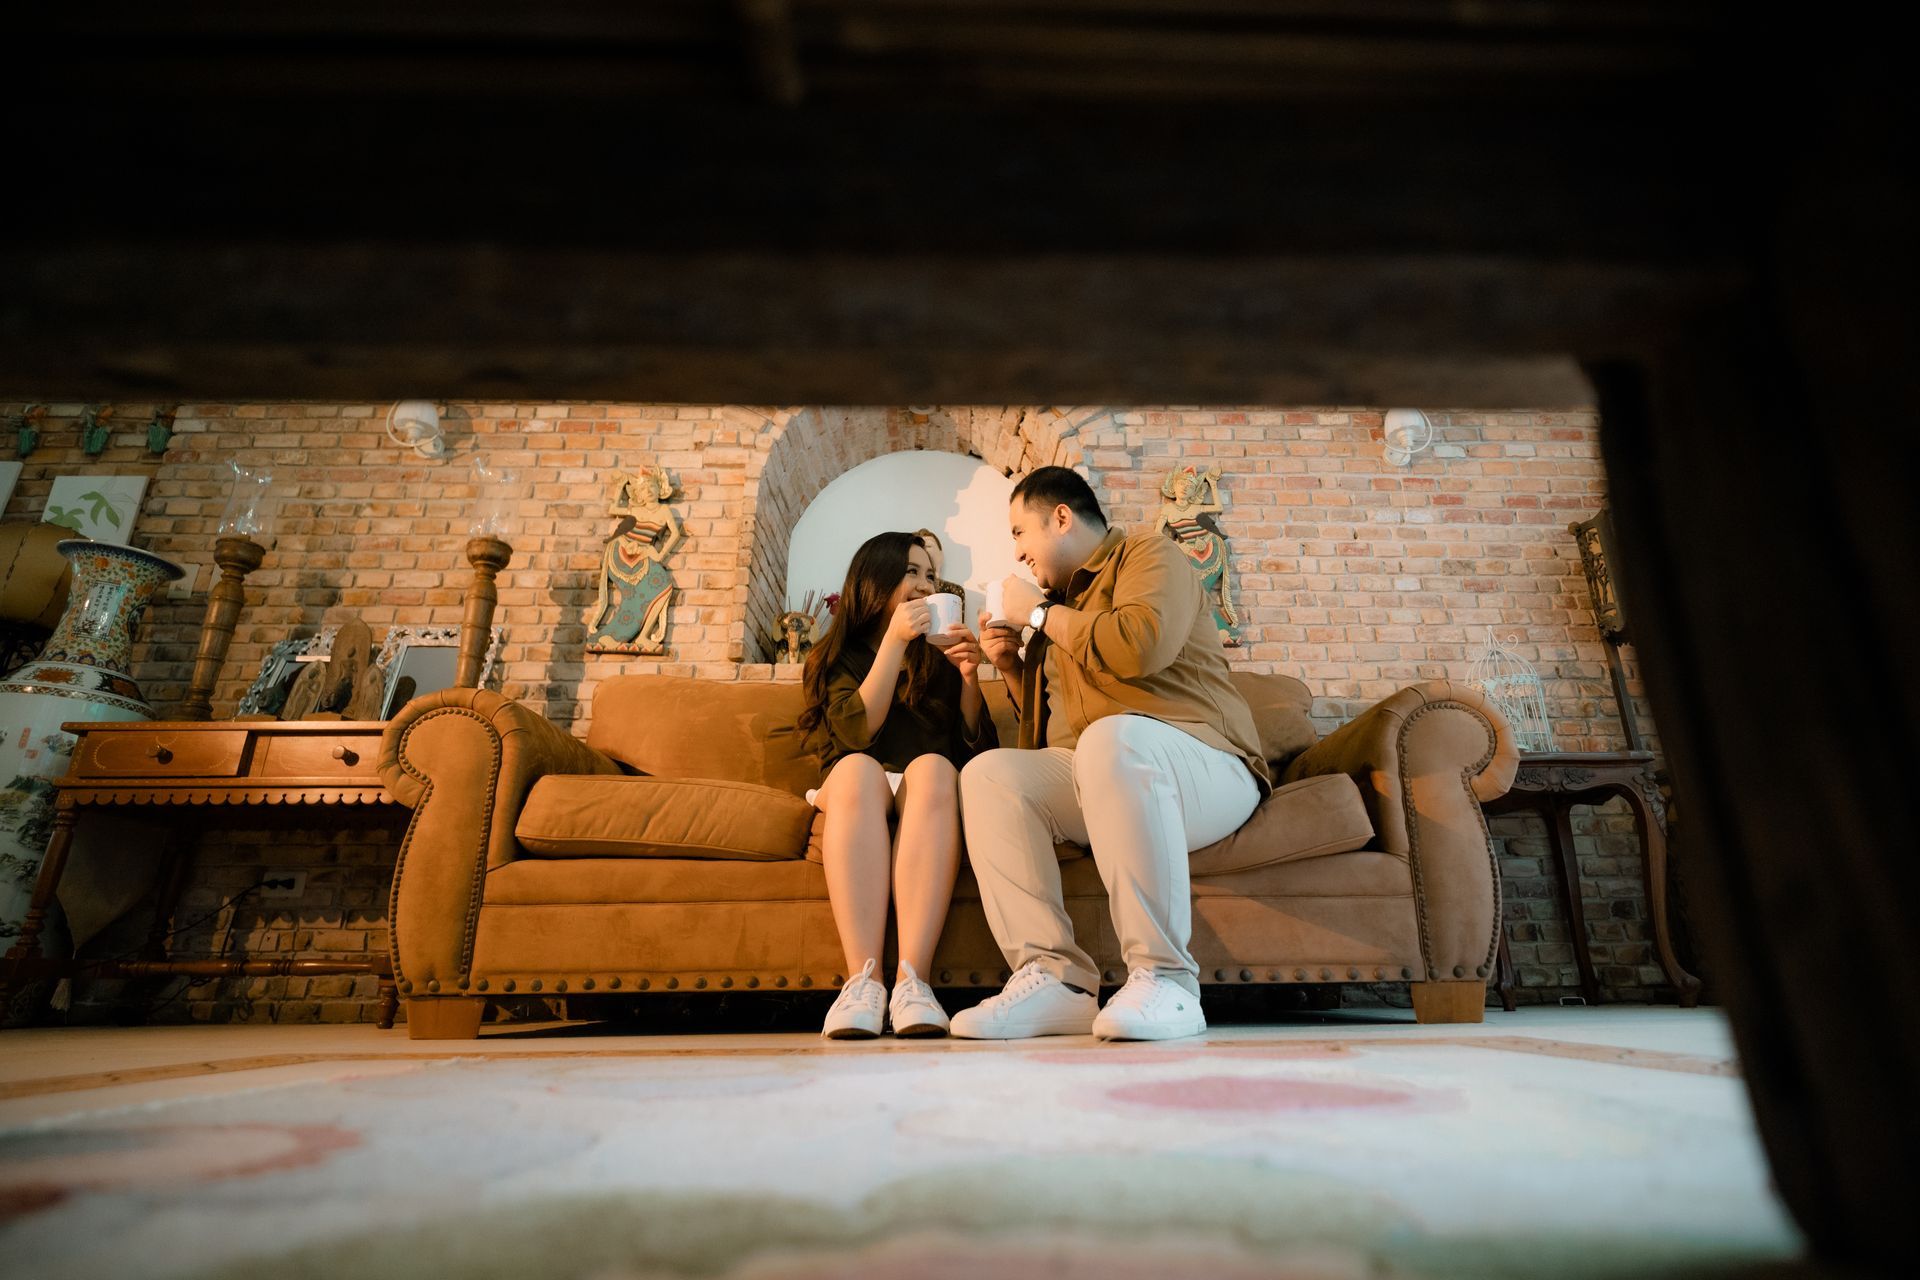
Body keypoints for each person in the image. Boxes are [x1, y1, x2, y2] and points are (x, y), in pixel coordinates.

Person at [952, 467, 1271, 1042]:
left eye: (1020, 532)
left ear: (1061, 518)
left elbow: (1138, 647)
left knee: (1111, 738)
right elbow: (1048, 738)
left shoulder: (1149, 555)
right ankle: (1056, 982)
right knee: (990, 775)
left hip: (1206, 765)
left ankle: (1168, 979)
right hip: (1108, 770)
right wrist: (1010, 666)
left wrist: (1039, 615)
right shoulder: (1059, 608)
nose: (1017, 552)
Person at [798, 530, 996, 1039]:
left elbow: (974, 754)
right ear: (876, 578)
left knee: (933, 767)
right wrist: (894, 639)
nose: (925, 584)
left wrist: (969, 680)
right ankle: (862, 982)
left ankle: (913, 982)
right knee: (859, 769)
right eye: (912, 572)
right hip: (854, 786)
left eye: (931, 575)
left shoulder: (936, 657)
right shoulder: (833, 656)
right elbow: (856, 734)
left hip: (921, 787)